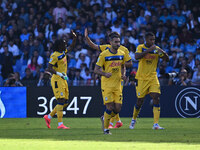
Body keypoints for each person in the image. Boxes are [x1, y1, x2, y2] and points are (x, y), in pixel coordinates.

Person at [85, 28, 132, 129]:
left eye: (118, 41)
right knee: (110, 106)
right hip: (107, 83)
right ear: (111, 41)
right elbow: (94, 46)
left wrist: (122, 71)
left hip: (118, 81)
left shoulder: (123, 50)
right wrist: (87, 38)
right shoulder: (106, 49)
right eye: (115, 41)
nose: (117, 43)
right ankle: (110, 123)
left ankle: (110, 119)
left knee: (117, 106)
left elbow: (128, 63)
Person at [129, 32, 169, 130]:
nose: (152, 41)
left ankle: (155, 124)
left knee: (156, 97)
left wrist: (163, 53)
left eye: (153, 40)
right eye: (151, 39)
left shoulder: (156, 49)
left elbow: (166, 59)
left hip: (153, 77)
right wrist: (149, 50)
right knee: (140, 101)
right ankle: (133, 119)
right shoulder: (140, 47)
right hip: (141, 78)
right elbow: (137, 57)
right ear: (146, 39)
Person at [43, 30, 77, 129]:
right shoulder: (54, 55)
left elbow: (71, 47)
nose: (66, 44)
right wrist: (59, 73)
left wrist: (74, 38)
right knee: (61, 101)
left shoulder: (63, 52)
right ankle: (60, 124)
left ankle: (48, 117)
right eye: (64, 43)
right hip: (57, 79)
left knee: (65, 102)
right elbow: (49, 68)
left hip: (63, 79)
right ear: (59, 46)